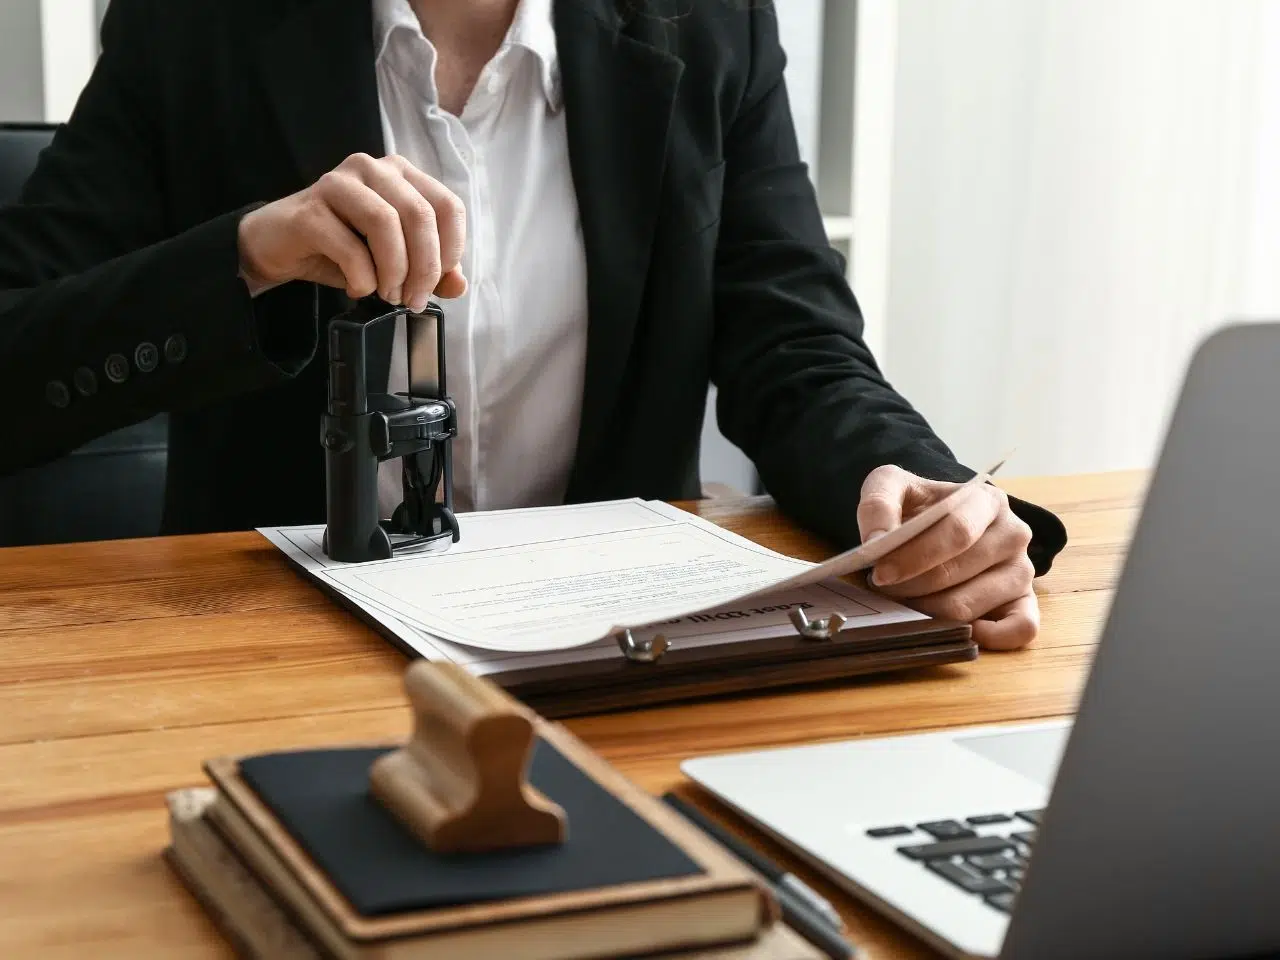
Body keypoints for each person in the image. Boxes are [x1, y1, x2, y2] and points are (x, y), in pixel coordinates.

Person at [0, 0, 1065, 649]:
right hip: (276, 656)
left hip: (614, 651)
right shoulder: (198, 23)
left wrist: (907, 488)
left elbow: (793, 341)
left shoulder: (709, 17)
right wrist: (247, 254)